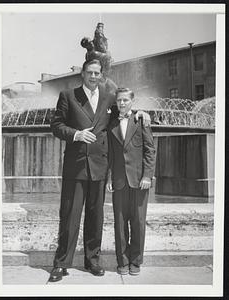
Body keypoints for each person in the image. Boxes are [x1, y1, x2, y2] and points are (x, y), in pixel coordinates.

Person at [49, 59, 151, 282]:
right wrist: (76, 134)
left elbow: (125, 111)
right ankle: (61, 263)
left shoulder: (108, 95)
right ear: (82, 74)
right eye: (90, 73)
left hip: (100, 167)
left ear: (101, 75)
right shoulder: (68, 96)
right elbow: (56, 126)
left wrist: (141, 112)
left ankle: (92, 261)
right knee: (70, 216)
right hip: (75, 166)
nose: (93, 76)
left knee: (95, 217)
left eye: (97, 73)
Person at [106, 87, 156, 276]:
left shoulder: (141, 120)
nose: (122, 103)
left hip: (139, 180)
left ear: (132, 102)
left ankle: (136, 261)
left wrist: (147, 176)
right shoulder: (111, 123)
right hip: (119, 180)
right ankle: (123, 261)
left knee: (138, 222)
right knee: (120, 223)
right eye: (119, 100)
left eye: (126, 100)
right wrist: (110, 177)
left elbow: (150, 150)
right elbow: (110, 153)